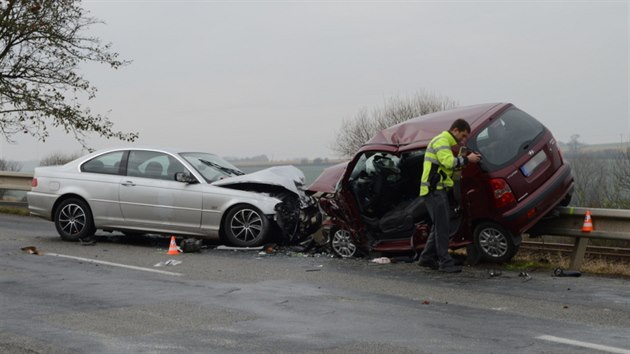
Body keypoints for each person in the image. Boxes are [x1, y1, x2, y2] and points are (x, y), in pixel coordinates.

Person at [418, 119, 481, 273]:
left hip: (437, 190)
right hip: (434, 190)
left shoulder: (445, 142)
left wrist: (464, 161)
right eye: (463, 135)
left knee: (438, 226)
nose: (463, 139)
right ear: (455, 130)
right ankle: (445, 263)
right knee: (443, 227)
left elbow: (448, 168)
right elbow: (447, 162)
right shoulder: (441, 141)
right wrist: (468, 159)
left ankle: (426, 258)